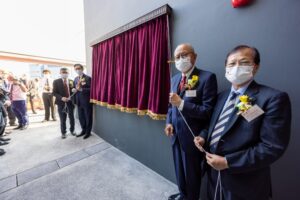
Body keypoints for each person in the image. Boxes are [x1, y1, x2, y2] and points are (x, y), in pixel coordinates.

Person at [194, 45, 291, 200]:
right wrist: (203, 136)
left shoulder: (272, 98)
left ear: (255, 67)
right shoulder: (221, 96)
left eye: (244, 62)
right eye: (232, 64)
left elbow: (272, 147)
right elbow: (211, 125)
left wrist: (228, 162)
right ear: (225, 68)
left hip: (245, 182)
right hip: (213, 174)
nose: (236, 67)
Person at [165, 43, 218, 200]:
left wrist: (181, 103)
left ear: (194, 56)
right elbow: (170, 107)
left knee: (192, 176)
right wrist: (169, 122)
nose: (181, 59)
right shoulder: (175, 79)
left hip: (193, 138)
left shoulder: (207, 78)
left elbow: (208, 111)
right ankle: (183, 194)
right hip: (176, 137)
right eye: (177, 57)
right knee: (179, 172)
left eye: (184, 55)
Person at [53, 68, 76, 139]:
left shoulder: (71, 81)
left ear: (68, 73)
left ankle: (72, 130)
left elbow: (73, 92)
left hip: (70, 102)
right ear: (60, 73)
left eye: (66, 72)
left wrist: (74, 91)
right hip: (61, 103)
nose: (65, 73)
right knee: (63, 119)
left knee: (72, 118)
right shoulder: (56, 81)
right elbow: (54, 92)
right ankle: (63, 132)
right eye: (63, 72)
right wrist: (61, 98)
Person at [72, 64, 93, 139]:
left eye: (78, 68)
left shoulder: (88, 78)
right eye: (76, 69)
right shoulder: (75, 79)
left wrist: (82, 90)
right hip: (78, 101)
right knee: (81, 117)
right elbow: (75, 87)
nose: (77, 70)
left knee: (88, 117)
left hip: (86, 101)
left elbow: (92, 89)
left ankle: (88, 132)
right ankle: (83, 130)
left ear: (82, 69)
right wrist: (73, 90)